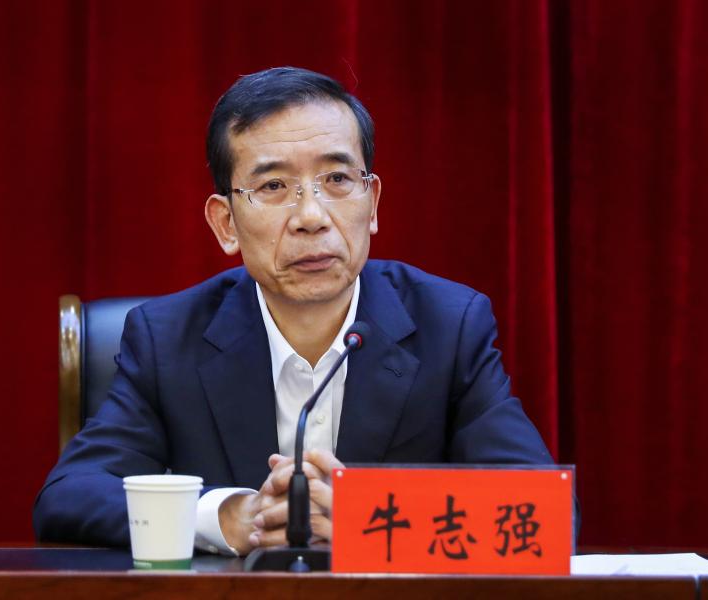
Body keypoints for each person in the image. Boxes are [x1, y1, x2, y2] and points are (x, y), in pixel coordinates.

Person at [33, 66, 555, 556]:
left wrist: (371, 518)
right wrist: (227, 517)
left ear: (372, 203)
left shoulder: (450, 325)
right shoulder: (167, 338)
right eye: (273, 186)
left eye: (337, 180)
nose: (311, 216)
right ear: (225, 224)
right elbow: (70, 495)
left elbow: (542, 512)